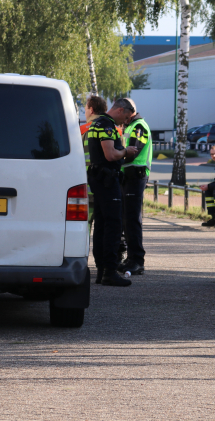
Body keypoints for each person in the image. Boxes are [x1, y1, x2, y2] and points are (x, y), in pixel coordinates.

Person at [86, 99, 137, 287]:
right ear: (121, 109)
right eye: (126, 117)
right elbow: (110, 155)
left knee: (101, 224)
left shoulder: (95, 124)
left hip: (98, 179)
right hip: (107, 180)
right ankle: (109, 270)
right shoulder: (107, 126)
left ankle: (101, 270)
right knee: (113, 225)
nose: (125, 121)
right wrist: (125, 151)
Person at [117, 98, 152, 276]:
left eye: (122, 114)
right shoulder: (131, 126)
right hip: (129, 177)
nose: (121, 119)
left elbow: (133, 151)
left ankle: (137, 260)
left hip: (136, 176)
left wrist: (115, 156)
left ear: (129, 112)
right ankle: (131, 259)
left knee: (132, 220)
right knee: (127, 220)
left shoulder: (139, 127)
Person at [81, 95, 108, 224]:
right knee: (106, 227)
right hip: (109, 187)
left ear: (91, 110)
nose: (85, 112)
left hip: (88, 188)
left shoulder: (82, 132)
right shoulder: (117, 131)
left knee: (85, 225)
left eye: (85, 109)